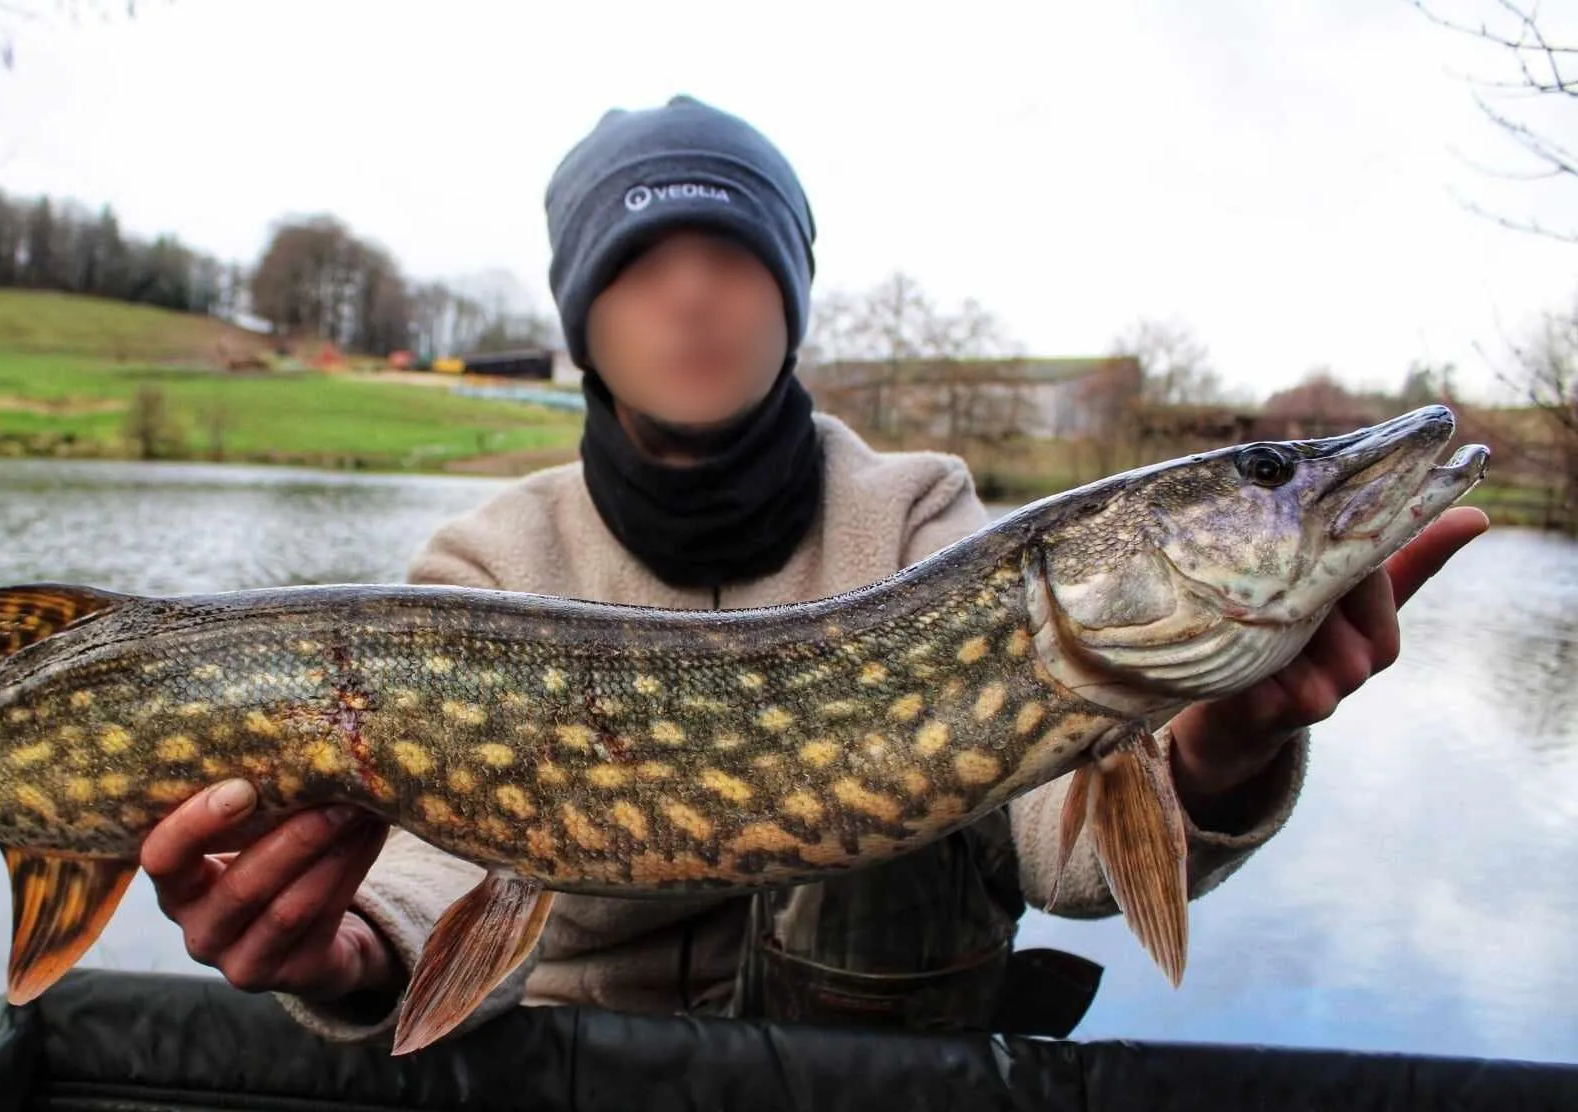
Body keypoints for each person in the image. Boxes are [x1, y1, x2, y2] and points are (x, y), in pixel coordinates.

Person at [138, 95, 1489, 1045]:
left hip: (869, 1074)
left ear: (788, 291)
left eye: (729, 252)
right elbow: (430, 875)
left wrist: (1223, 744)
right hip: (576, 1074)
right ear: (584, 318)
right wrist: (345, 949)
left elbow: (1054, 855)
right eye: (637, 261)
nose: (689, 295)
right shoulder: (488, 566)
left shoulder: (917, 518)